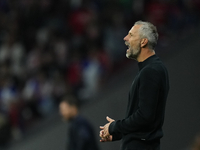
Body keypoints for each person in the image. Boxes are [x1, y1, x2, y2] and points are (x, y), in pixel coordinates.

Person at [99, 21, 169, 150]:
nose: (125, 38)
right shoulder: (151, 69)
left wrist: (115, 126)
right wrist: (118, 133)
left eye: (131, 35)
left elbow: (145, 116)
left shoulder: (150, 71)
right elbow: (145, 122)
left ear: (143, 42)